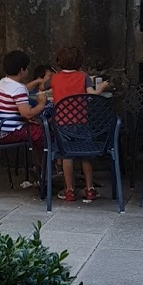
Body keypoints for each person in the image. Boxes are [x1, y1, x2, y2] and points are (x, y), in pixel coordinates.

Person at [51, 46, 110, 204]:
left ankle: (69, 190)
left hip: (61, 123)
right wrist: (102, 87)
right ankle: (89, 189)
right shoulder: (83, 76)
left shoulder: (55, 78)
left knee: (66, 155)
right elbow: (92, 94)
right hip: (81, 122)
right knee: (86, 155)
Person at [0, 50, 47, 170]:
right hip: (11, 132)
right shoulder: (18, 89)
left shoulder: (4, 82)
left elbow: (22, 91)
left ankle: (39, 168)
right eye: (26, 68)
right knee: (46, 133)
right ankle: (43, 170)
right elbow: (27, 113)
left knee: (39, 129)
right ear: (22, 70)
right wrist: (42, 104)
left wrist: (37, 81)